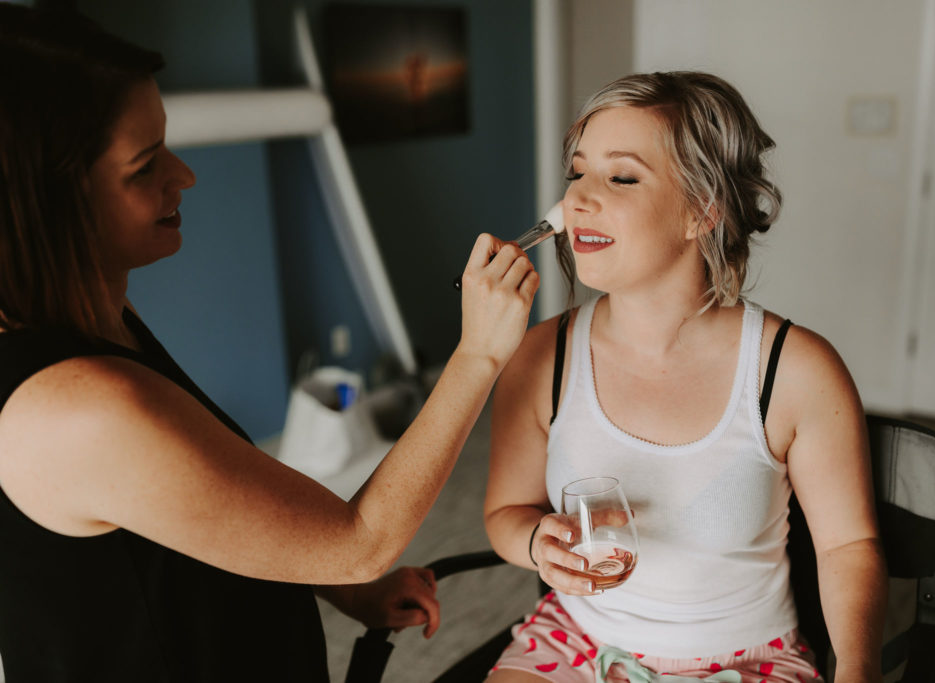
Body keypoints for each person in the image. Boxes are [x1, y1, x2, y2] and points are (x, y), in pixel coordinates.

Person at [0, 4, 537, 681]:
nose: (183, 176)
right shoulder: (80, 406)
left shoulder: (93, 316)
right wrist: (479, 356)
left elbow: (197, 503)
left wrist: (337, 583)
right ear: (48, 207)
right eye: (143, 167)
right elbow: (361, 541)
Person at [483, 71, 886, 683]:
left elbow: (846, 547)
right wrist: (537, 542)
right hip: (574, 642)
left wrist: (857, 668)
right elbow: (506, 513)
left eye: (620, 176)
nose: (577, 200)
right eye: (577, 172)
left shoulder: (795, 371)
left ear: (702, 211)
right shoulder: (543, 356)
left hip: (746, 660)